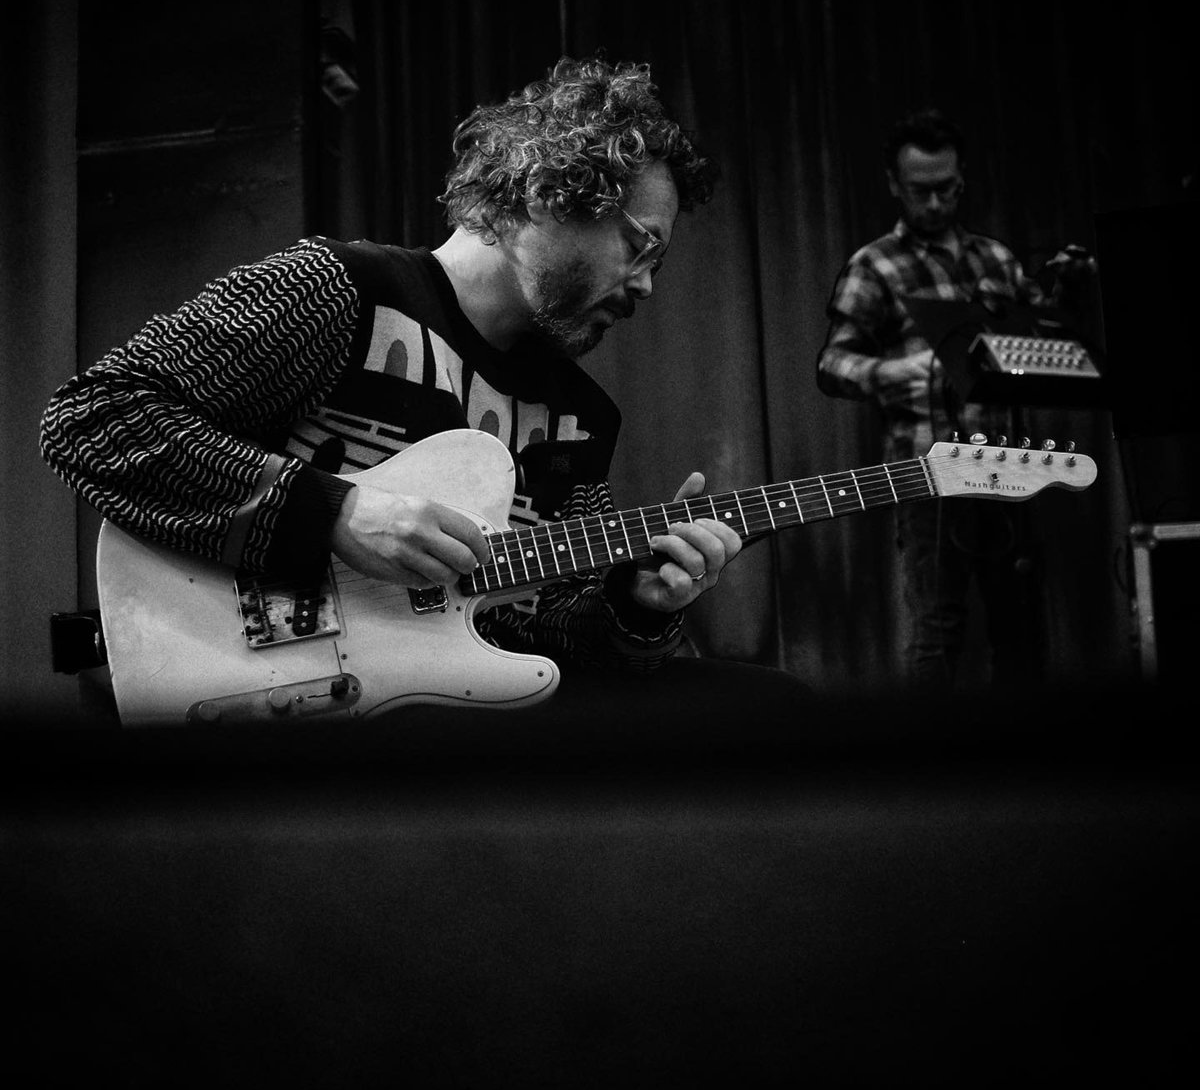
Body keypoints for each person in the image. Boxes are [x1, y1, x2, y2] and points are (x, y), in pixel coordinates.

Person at [40, 55, 772, 718]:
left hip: (442, 733)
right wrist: (338, 513)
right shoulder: (338, 289)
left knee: (759, 709)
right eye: (638, 247)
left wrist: (637, 607)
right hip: (255, 698)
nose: (645, 286)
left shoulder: (582, 418)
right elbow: (94, 419)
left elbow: (552, 640)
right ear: (549, 194)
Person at [817, 108, 1065, 697]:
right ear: (894, 185)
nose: (934, 202)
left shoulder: (996, 259)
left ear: (962, 179)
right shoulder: (875, 264)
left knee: (1022, 629)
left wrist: (1065, 294)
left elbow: (1044, 343)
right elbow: (832, 364)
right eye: (920, 190)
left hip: (1010, 466)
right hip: (928, 474)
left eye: (946, 188)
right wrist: (888, 373)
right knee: (936, 633)